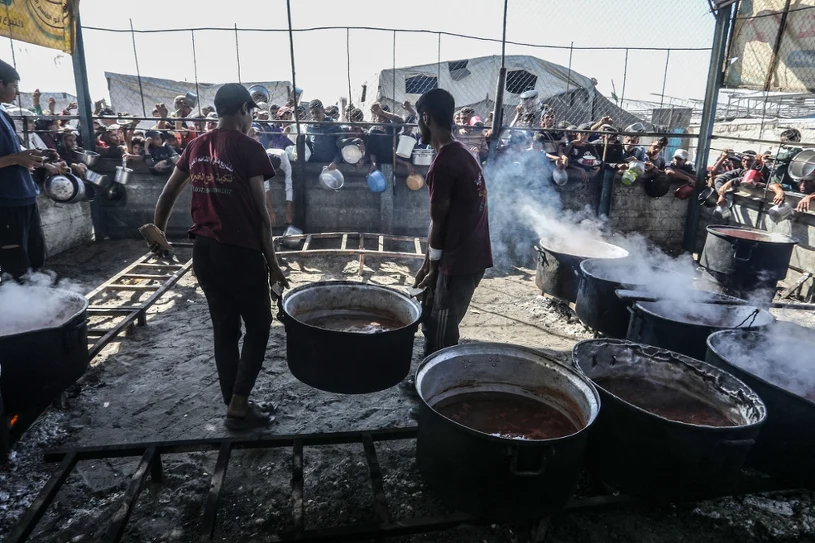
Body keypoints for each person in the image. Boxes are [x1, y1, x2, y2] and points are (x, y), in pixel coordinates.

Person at [150, 83, 288, 429]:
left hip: (205, 253)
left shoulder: (196, 146)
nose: (252, 117)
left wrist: (158, 234)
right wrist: (273, 264)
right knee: (258, 326)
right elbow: (261, 215)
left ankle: (234, 404)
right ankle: (240, 404)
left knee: (224, 330)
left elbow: (167, 195)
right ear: (243, 108)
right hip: (240, 253)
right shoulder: (249, 147)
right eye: (252, 111)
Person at [401, 88, 492, 407]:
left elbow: (439, 223)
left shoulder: (443, 163)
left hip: (459, 259)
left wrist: (435, 267)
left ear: (426, 118)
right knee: (437, 318)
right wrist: (427, 263)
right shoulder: (463, 153)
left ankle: (438, 393)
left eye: (417, 121)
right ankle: (434, 380)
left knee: (440, 327)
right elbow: (441, 221)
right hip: (471, 254)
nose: (417, 128)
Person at [0, 59, 54, 280]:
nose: (17, 90)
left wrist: (36, 158)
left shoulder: (4, 115)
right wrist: (15, 159)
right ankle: (17, 312)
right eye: (13, 85)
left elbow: (15, 153)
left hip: (25, 197)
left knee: (35, 259)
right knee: (16, 267)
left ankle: (36, 306)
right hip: (6, 202)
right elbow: (12, 157)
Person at [714, 151, 785, 207]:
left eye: (749, 161)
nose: (746, 163)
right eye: (744, 161)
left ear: (755, 161)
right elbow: (720, 179)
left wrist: (732, 182)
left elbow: (749, 180)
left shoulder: (761, 170)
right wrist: (721, 195)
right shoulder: (740, 171)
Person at [306, 99, 340, 168]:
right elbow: (308, 146)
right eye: (312, 113)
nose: (315, 115)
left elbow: (341, 146)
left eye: (317, 112)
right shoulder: (309, 127)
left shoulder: (334, 125)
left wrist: (336, 161)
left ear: (323, 110)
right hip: (315, 165)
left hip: (331, 165)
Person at [266, 148, 294, 224]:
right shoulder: (263, 162)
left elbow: (289, 184)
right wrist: (271, 211)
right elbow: (265, 188)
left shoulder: (285, 161)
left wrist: (288, 211)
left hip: (282, 155)